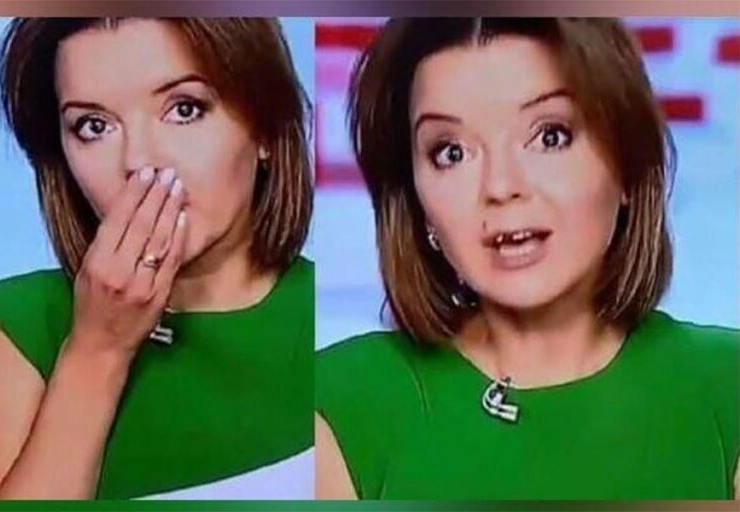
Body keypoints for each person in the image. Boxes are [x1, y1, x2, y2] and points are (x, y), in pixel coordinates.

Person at [315, 18, 739, 500]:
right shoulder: (336, 402)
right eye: (451, 152)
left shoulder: (726, 386)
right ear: (416, 201)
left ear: (626, 164)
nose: (501, 187)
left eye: (550, 136)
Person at [0, 17, 313, 499]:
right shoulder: (23, 328)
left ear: (264, 128)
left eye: (184, 109)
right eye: (94, 126)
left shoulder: (333, 329)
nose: (138, 160)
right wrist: (97, 352)